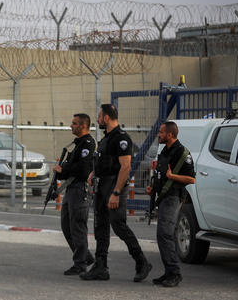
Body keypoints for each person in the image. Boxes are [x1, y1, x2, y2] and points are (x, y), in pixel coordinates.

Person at [82, 103, 151, 282]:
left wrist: (116, 192)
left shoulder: (121, 138)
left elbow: (125, 167)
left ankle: (142, 262)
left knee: (118, 225)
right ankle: (100, 266)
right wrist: (93, 173)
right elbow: (104, 161)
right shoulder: (106, 139)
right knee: (101, 227)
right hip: (102, 185)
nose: (97, 120)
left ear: (106, 117)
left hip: (114, 186)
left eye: (99, 116)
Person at [146, 121, 195, 287]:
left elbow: (191, 179)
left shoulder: (181, 152)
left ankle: (174, 272)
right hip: (164, 197)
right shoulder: (164, 150)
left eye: (161, 132)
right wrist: (152, 188)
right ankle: (168, 272)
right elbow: (161, 175)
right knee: (163, 234)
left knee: (165, 234)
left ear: (170, 134)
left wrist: (173, 177)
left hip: (174, 197)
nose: (158, 135)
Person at [53, 113, 97, 276]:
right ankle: (85, 256)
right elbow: (72, 166)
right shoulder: (78, 144)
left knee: (77, 226)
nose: (71, 126)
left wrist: (63, 170)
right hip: (72, 188)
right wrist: (61, 171)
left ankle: (80, 264)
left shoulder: (87, 144)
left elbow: (83, 169)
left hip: (80, 189)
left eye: (74, 123)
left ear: (83, 126)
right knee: (66, 225)